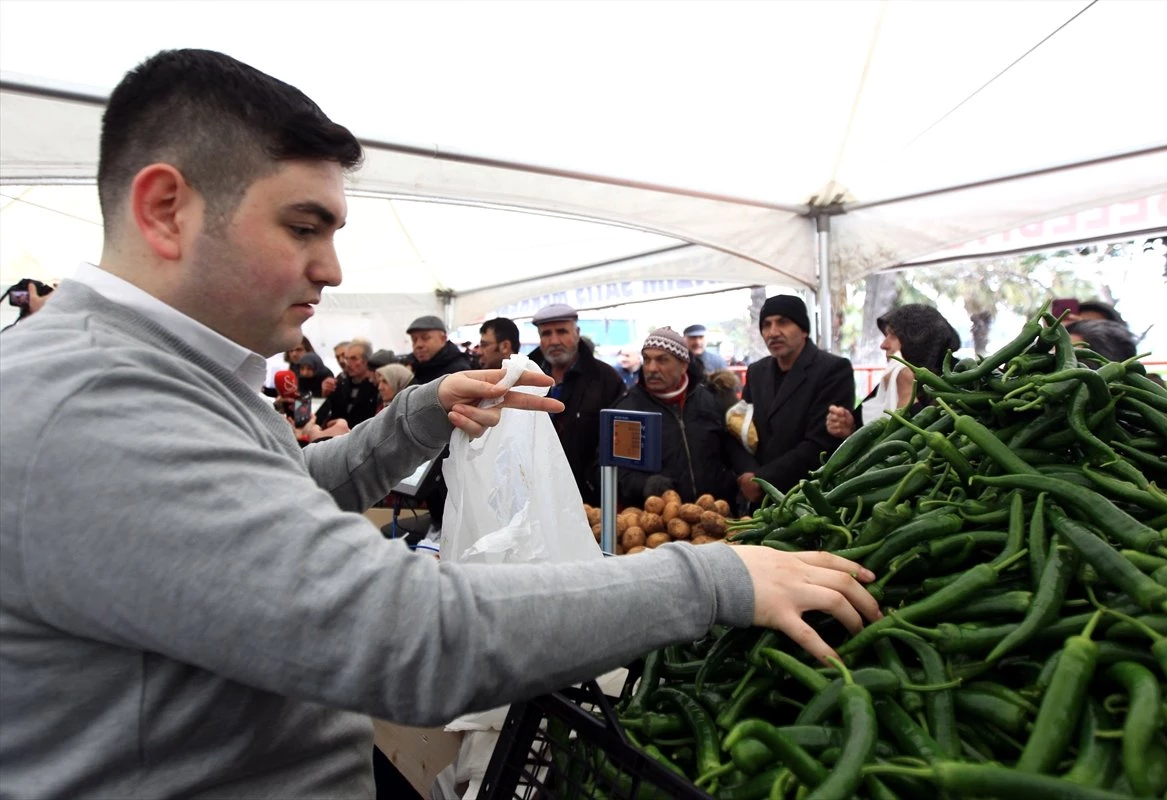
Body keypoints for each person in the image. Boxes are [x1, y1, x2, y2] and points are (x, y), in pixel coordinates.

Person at [0, 49, 880, 799]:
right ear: (166, 209)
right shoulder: (92, 403)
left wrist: (419, 413)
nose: (332, 267)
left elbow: (287, 497)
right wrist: (712, 580)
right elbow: (405, 636)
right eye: (304, 225)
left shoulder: (169, 372)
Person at [614, 328, 756, 507]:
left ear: (683, 365)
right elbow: (613, 470)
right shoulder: (630, 410)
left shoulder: (712, 400)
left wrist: (748, 474)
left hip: (717, 513)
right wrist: (645, 484)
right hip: (658, 521)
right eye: (647, 359)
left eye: (662, 360)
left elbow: (736, 448)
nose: (651, 368)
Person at [739, 295, 855, 504]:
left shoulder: (833, 370)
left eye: (783, 322)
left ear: (804, 329)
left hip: (807, 498)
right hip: (759, 500)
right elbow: (741, 430)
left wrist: (763, 480)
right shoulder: (757, 372)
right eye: (766, 325)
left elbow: (821, 443)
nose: (773, 332)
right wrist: (748, 474)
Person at [528, 303, 627, 505]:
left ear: (577, 333)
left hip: (587, 501)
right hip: (534, 495)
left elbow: (618, 444)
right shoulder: (526, 378)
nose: (554, 341)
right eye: (546, 334)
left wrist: (594, 483)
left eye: (562, 331)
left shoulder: (606, 379)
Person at [826, 304, 961, 438]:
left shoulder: (958, 387)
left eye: (893, 335)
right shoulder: (894, 380)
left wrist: (907, 395)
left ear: (918, 343)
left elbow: (931, 446)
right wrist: (851, 427)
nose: (884, 345)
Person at [315, 340, 378, 428]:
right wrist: (325, 394)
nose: (347, 364)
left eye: (353, 358)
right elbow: (328, 411)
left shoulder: (376, 384)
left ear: (367, 360)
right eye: (347, 358)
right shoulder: (341, 381)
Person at [408, 314, 473, 383]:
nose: (418, 345)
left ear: (443, 339)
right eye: (414, 340)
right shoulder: (410, 365)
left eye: (425, 338)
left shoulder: (458, 372)